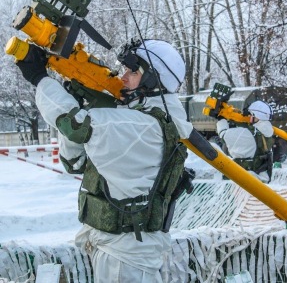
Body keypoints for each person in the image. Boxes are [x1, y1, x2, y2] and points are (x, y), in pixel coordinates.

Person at [15, 39, 193, 282]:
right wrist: (77, 101)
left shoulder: (145, 126)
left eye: (133, 71)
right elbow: (74, 162)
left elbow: (77, 125)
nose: (123, 77)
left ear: (154, 79)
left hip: (127, 257)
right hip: (119, 248)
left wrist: (40, 79)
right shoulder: (139, 120)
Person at [216, 100, 274, 183]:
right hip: (262, 178)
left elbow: (223, 135)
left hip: (246, 179)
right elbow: (249, 126)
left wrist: (221, 119)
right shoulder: (267, 131)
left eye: (250, 115)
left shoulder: (246, 133)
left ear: (255, 116)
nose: (248, 117)